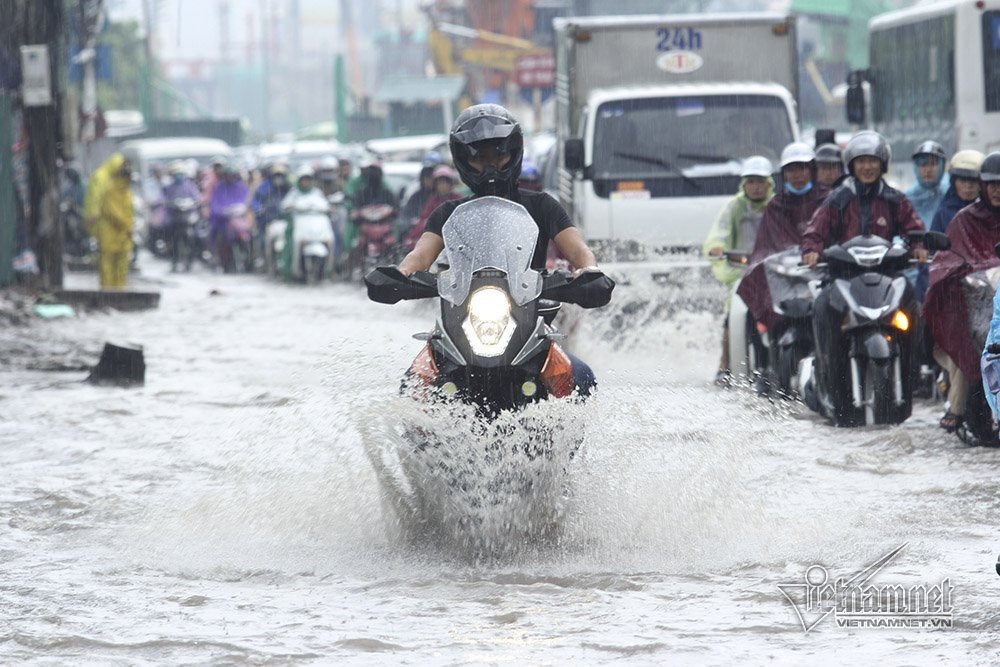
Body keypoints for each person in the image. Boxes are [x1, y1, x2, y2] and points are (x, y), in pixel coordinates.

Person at [398, 103, 602, 394]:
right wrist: (402, 274)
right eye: (480, 158)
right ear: (463, 160)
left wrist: (589, 270)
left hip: (528, 325)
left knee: (582, 378)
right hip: (461, 324)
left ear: (514, 152)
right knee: (412, 385)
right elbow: (420, 254)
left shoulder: (542, 206)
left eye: (499, 154)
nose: (491, 165)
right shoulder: (447, 213)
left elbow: (578, 248)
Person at [803, 131, 927, 421]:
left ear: (882, 163)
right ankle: (829, 377)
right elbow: (815, 231)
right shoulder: (838, 199)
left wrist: (919, 246)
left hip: (887, 279)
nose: (867, 167)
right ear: (852, 165)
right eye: (861, 162)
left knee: (914, 307)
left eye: (872, 161)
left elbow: (914, 229)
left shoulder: (896, 199)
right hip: (843, 279)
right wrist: (811, 250)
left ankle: (914, 373)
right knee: (822, 307)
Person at [736, 144, 829, 391]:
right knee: (753, 304)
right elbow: (765, 247)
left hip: (822, 275)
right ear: (783, 174)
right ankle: (765, 365)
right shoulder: (776, 206)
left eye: (802, 168)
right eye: (791, 170)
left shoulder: (828, 200)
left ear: (811, 170)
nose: (797, 175)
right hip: (785, 278)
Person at [923, 152, 1000, 434]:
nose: (997, 190)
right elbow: (945, 260)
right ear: (983, 184)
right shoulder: (964, 219)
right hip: (975, 309)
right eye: (992, 184)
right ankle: (958, 408)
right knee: (967, 352)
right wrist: (963, 272)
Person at [703, 155, 774, 386]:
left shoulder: (777, 206)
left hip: (774, 273)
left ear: (769, 183)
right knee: (731, 317)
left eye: (760, 181)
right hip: (742, 272)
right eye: (751, 181)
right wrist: (718, 248)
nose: (755, 187)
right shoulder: (734, 207)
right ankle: (724, 365)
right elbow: (719, 233)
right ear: (744, 184)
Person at [279, 165, 330, 279]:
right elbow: (284, 206)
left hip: (316, 223)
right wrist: (290, 208)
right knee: (292, 243)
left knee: (330, 240)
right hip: (298, 223)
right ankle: (290, 270)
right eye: (303, 180)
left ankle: (329, 270)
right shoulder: (294, 192)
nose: (306, 182)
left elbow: (325, 205)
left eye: (308, 179)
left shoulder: (317, 192)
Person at [92, 153, 134, 288]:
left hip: (123, 235)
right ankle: (107, 292)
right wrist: (128, 226)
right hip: (109, 233)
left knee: (121, 267)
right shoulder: (110, 191)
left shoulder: (127, 193)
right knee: (107, 264)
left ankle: (119, 291)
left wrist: (128, 228)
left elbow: (129, 213)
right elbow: (112, 212)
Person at [403, 164, 462, 250]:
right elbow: (424, 220)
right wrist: (412, 239)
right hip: (436, 238)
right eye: (440, 183)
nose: (443, 186)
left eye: (445, 183)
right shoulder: (433, 200)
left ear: (451, 184)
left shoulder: (458, 199)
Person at [161, 160, 201, 271]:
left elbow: (197, 198)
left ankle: (191, 261)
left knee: (194, 237)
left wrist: (193, 203)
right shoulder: (169, 187)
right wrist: (171, 203)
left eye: (180, 173)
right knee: (172, 239)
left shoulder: (190, 185)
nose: (178, 176)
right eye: (176, 174)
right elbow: (164, 199)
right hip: (175, 217)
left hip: (188, 216)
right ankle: (173, 262)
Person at [208, 164, 249, 271]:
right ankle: (218, 258)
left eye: (233, 175)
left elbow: (246, 201)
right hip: (223, 221)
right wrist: (221, 211)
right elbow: (215, 204)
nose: (231, 177)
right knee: (218, 237)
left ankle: (250, 259)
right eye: (228, 175)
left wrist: (243, 209)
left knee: (250, 234)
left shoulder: (241, 187)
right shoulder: (219, 187)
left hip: (239, 220)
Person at [905, 140, 949, 227]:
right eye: (922, 164)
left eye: (933, 164)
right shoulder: (907, 198)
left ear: (942, 166)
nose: (928, 170)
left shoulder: (950, 194)